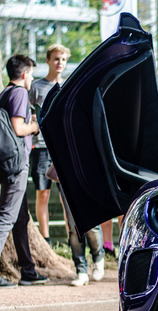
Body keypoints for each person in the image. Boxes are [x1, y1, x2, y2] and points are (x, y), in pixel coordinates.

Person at [0, 55, 48, 287]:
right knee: (7, 217)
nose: (31, 77)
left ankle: (28, 271)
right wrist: (37, 125)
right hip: (17, 165)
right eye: (30, 73)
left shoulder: (5, 93)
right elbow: (19, 128)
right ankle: (26, 271)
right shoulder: (19, 94)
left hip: (7, 162)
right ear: (24, 74)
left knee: (20, 218)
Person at [28, 44, 70, 245]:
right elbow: (29, 116)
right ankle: (46, 239)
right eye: (56, 59)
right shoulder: (36, 86)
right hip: (41, 147)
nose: (59, 63)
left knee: (67, 197)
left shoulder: (69, 84)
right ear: (48, 61)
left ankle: (73, 236)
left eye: (63, 59)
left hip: (63, 149)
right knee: (43, 194)